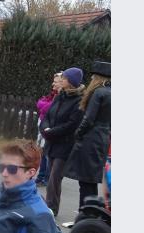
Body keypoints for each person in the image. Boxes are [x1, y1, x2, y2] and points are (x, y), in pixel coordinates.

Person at [40, 67, 85, 217]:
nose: (61, 80)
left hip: (65, 145)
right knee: (50, 176)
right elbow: (48, 115)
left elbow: (72, 124)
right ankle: (50, 206)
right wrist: (45, 128)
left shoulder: (79, 101)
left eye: (64, 78)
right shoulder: (60, 96)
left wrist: (51, 132)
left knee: (54, 177)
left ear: (71, 82)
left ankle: (51, 208)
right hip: (52, 142)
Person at [65, 61, 111, 208]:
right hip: (102, 139)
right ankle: (88, 213)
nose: (91, 79)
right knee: (90, 181)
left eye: (93, 76)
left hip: (90, 140)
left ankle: (84, 214)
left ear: (98, 77)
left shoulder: (98, 93)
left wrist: (78, 133)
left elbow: (89, 118)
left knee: (85, 181)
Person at [34, 72, 61, 186]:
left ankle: (46, 177)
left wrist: (45, 106)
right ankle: (41, 176)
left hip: (51, 126)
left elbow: (46, 107)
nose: (53, 84)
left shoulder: (60, 96)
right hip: (44, 125)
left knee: (47, 154)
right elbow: (40, 104)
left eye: (55, 81)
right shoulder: (53, 95)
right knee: (42, 152)